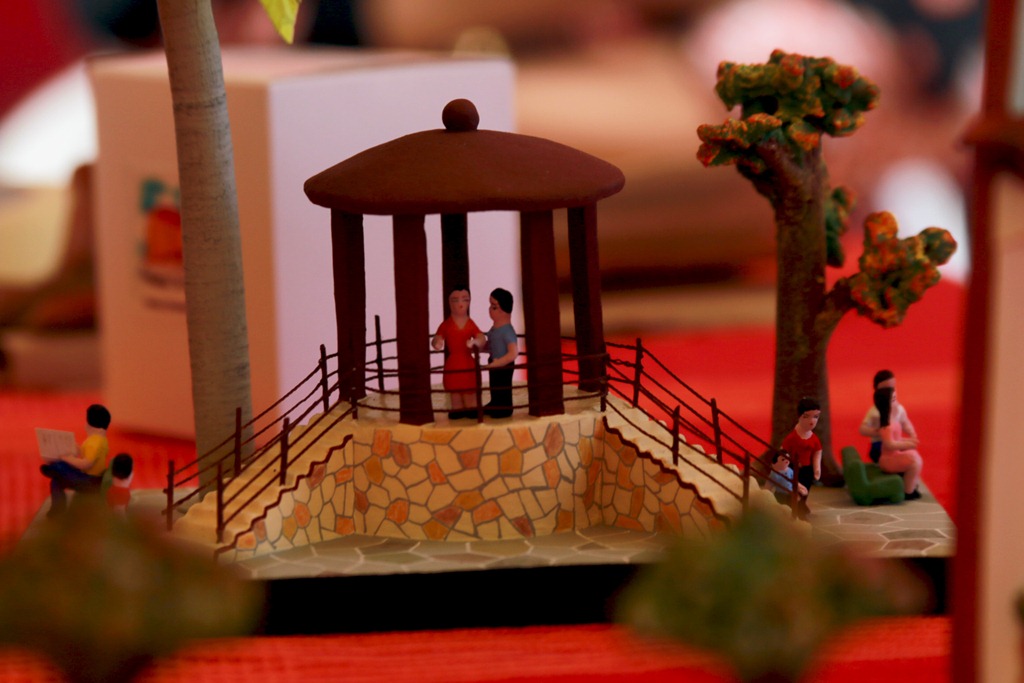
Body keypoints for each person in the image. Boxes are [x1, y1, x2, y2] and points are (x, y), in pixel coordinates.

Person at [40, 403, 111, 518]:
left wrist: (68, 458)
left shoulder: (95, 443)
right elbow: (85, 454)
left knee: (62, 465)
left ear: (89, 424)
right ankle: (57, 508)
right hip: (91, 478)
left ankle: (54, 468)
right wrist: (75, 447)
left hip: (90, 481)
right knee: (56, 481)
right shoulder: (100, 440)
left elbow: (85, 464)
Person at [431, 287, 483, 420]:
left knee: (469, 393)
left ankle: (471, 409)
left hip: (467, 363)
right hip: (453, 363)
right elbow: (437, 338)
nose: (460, 304)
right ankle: (457, 410)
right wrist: (437, 342)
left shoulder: (470, 324)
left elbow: (481, 337)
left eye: (465, 299)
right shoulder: (446, 325)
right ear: (449, 303)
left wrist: (476, 342)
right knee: (455, 395)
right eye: (455, 300)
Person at [873, 386, 924, 500]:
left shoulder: (893, 421)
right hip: (888, 460)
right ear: (886, 404)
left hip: (894, 455)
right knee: (914, 463)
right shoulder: (886, 426)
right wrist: (907, 444)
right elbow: (889, 444)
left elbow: (896, 439)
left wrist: (908, 441)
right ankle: (908, 491)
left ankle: (911, 485)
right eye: (893, 400)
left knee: (915, 456)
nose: (897, 403)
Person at [859, 369, 917, 463]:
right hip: (880, 443)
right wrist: (877, 432)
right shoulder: (874, 412)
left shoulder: (899, 409)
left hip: (895, 442)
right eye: (885, 390)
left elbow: (905, 422)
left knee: (910, 452)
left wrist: (911, 433)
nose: (889, 392)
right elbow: (862, 429)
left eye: (892, 388)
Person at [478, 287, 517, 418]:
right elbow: (492, 345)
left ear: (505, 309)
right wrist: (479, 348)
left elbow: (513, 353)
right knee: (494, 385)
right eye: (490, 306)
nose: (490, 310)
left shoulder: (507, 331)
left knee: (503, 386)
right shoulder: (495, 329)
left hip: (504, 365)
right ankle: (495, 403)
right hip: (494, 362)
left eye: (494, 307)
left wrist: (499, 363)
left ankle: (504, 408)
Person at [780, 397, 822, 518]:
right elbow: (783, 452)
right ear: (799, 416)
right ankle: (795, 508)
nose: (812, 421)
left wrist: (817, 468)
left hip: (807, 469)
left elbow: (817, 452)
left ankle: (802, 504)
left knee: (805, 489)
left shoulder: (814, 438)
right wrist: (783, 467)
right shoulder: (792, 437)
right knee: (794, 489)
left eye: (816, 417)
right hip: (793, 469)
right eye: (806, 416)